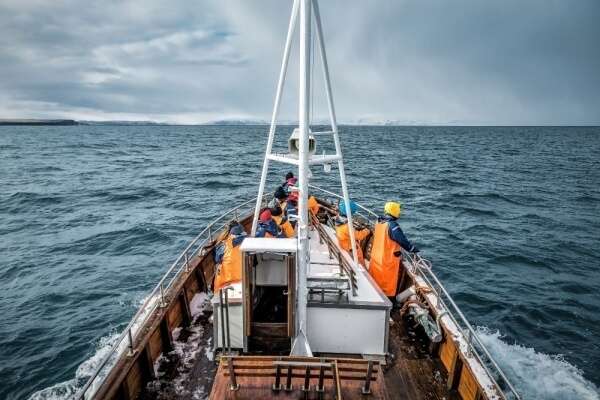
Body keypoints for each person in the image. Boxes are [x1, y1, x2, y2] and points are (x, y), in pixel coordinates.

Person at [369, 201, 419, 298]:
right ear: (394, 211)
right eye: (398, 210)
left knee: (376, 281)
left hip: (376, 258)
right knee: (387, 286)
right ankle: (388, 300)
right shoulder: (392, 226)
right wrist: (413, 249)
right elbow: (402, 240)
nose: (399, 212)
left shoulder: (379, 221)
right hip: (387, 262)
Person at [213, 222, 247, 293]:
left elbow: (217, 259)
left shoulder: (223, 245)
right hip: (245, 279)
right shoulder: (249, 241)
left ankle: (216, 292)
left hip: (226, 282)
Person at [335, 201, 371, 266]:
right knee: (361, 265)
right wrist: (367, 230)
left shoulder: (338, 219)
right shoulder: (347, 226)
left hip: (343, 244)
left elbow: (347, 232)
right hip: (351, 249)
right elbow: (359, 236)